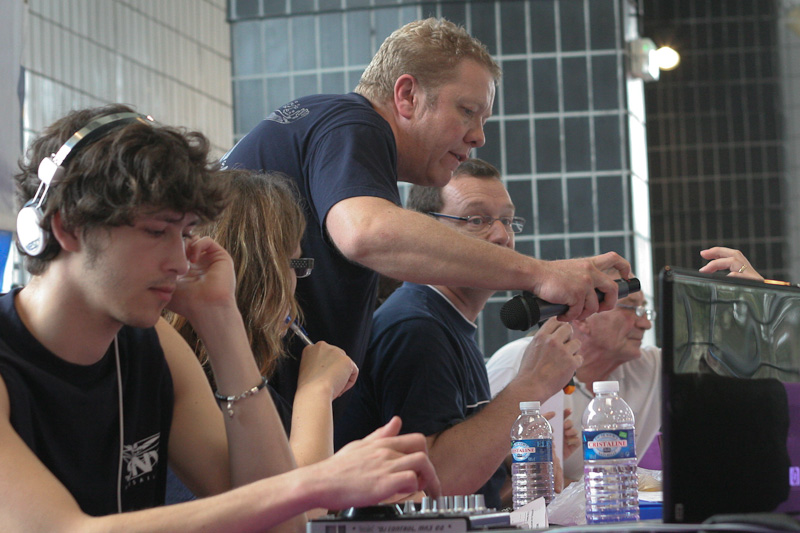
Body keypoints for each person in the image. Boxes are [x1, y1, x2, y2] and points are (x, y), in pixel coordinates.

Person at [0, 105, 439, 531]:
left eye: (185, 233)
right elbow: (67, 529)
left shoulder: (154, 347)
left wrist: (220, 315)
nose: (179, 261)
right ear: (67, 227)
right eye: (156, 231)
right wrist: (317, 483)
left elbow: (280, 524)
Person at [220, 17, 631, 413]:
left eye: (483, 119)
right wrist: (541, 274)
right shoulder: (354, 122)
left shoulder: (324, 125)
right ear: (407, 96)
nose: (479, 136)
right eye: (467, 110)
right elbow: (366, 233)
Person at [335, 159, 582, 508]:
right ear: (425, 233)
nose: (502, 236)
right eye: (477, 220)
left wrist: (517, 467)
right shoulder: (417, 328)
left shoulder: (446, 321)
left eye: (508, 221)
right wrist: (533, 383)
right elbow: (433, 487)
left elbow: (467, 495)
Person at [165, 169, 358, 469]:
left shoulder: (248, 382)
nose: (295, 283)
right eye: (292, 263)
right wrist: (316, 390)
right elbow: (294, 496)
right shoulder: (193, 384)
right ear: (260, 272)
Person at [486, 287, 661, 484]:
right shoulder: (521, 362)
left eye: (643, 309)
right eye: (630, 308)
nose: (646, 324)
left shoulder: (651, 366)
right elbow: (483, 480)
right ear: (583, 317)